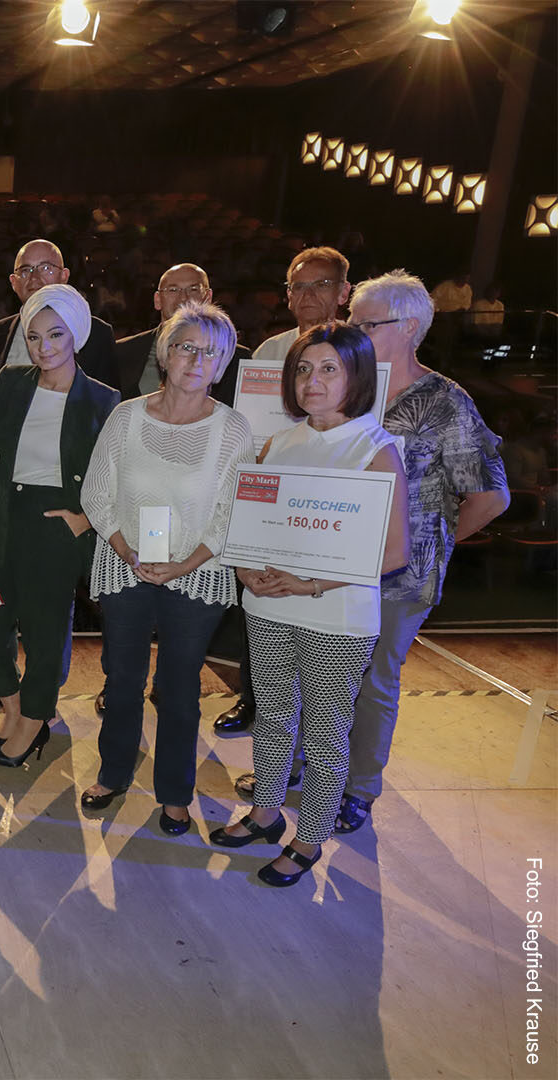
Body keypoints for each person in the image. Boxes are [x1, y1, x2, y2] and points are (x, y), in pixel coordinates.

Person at [211, 325, 408, 887]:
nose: (312, 381)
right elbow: (250, 526)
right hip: (269, 607)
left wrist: (310, 584)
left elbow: (394, 553)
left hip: (336, 617)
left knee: (324, 733)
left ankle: (310, 838)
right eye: (303, 369)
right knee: (272, 718)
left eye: (328, 369)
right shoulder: (278, 444)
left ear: (356, 377)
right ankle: (266, 812)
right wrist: (244, 568)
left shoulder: (375, 448)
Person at [334, 271, 508, 833]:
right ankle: (312, 770)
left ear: (409, 328)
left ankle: (358, 789)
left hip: (401, 577)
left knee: (373, 681)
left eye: (367, 324)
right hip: (332, 561)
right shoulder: (345, 387)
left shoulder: (445, 402)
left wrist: (432, 542)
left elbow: (491, 496)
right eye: (352, 322)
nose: (354, 332)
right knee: (322, 672)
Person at [79, 301, 253, 835]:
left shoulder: (233, 429)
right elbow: (96, 493)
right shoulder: (126, 416)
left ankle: (175, 794)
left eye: (210, 353)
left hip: (197, 575)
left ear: (222, 365)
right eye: (185, 347)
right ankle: (112, 772)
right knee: (121, 679)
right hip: (124, 568)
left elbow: (230, 514)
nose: (196, 361)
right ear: (164, 353)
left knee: (178, 690)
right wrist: (126, 551)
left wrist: (183, 564)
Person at [0, 284, 120, 768]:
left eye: (55, 334)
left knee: (44, 631)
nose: (44, 346)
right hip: (3, 516)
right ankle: (13, 708)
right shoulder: (11, 382)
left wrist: (84, 520)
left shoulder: (103, 399)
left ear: (76, 335)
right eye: (34, 337)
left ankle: (33, 721)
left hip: (56, 524)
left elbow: (119, 473)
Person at [214, 246, 355, 737]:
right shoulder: (268, 353)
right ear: (287, 295)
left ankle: (319, 726)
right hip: (273, 493)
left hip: (334, 503)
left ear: (344, 292)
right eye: (298, 286)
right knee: (263, 603)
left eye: (321, 284)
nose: (308, 295)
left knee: (320, 620)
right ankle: (254, 699)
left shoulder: (358, 350)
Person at [0, 239, 120, 391]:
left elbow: (108, 399)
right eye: (25, 270)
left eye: (45, 268)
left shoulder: (97, 333)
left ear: (64, 276)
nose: (34, 277)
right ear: (13, 282)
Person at [112, 263, 254, 403]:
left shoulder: (236, 358)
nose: (184, 298)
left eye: (193, 289)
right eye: (173, 290)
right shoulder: (123, 351)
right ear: (157, 300)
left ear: (208, 297)